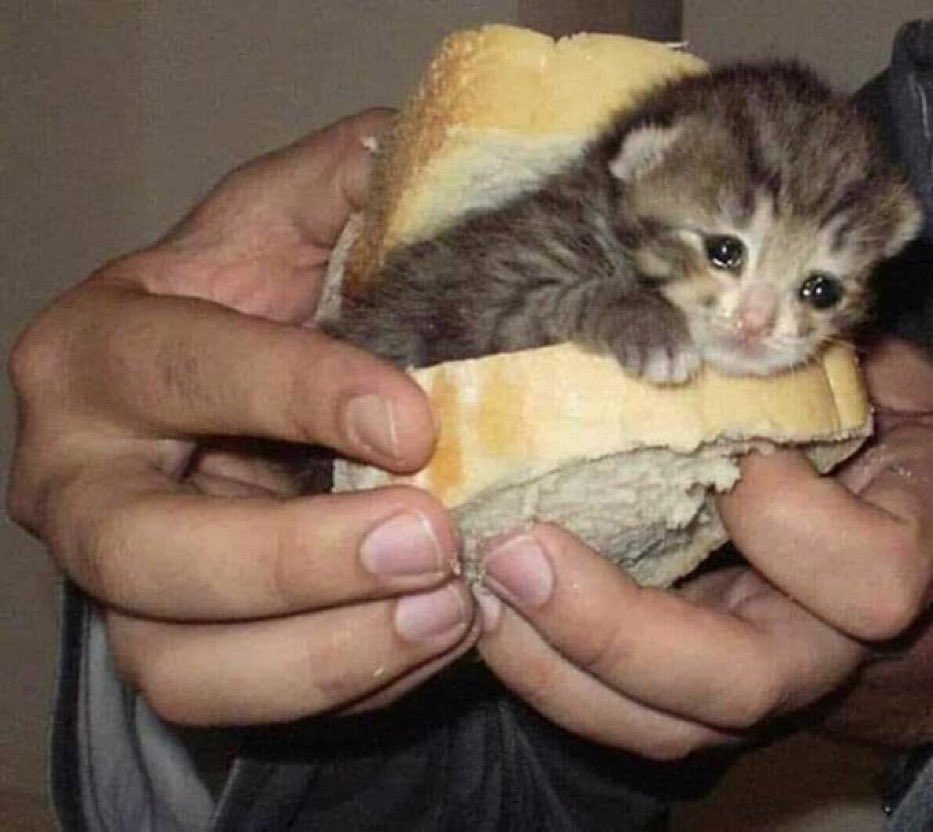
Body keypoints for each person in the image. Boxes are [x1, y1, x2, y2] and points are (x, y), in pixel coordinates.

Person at [7, 21, 933, 832]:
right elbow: (473, 312)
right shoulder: (578, 226)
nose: (763, 323)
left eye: (818, 290)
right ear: (638, 167)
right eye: (725, 252)